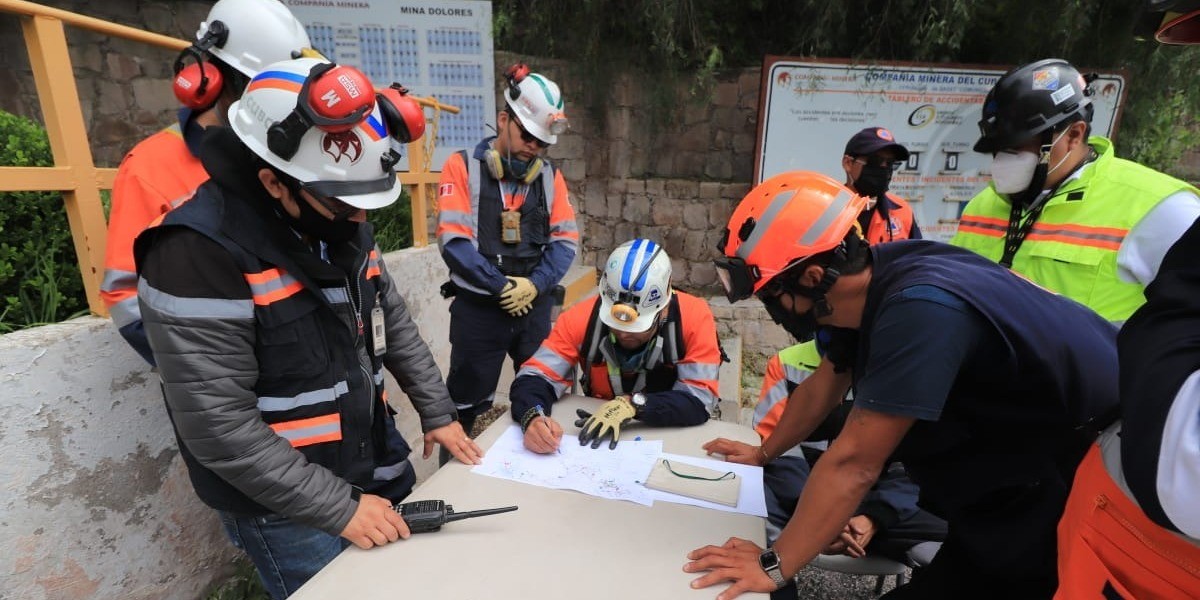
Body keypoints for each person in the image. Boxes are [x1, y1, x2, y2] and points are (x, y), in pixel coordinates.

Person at [134, 57, 483, 599]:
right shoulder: (194, 253)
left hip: (369, 460)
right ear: (274, 182)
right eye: (347, 205)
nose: (361, 220)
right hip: (287, 508)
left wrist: (437, 411)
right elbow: (218, 425)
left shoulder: (334, 219)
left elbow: (390, 317)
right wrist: (338, 509)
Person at [687, 170, 1119, 599]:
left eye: (770, 296)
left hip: (1076, 488)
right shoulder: (868, 288)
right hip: (1009, 479)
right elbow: (825, 384)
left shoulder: (920, 310)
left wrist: (772, 565)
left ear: (812, 278)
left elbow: (854, 463)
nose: (771, 310)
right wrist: (763, 452)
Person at [1055, 11, 1200, 598]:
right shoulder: (990, 202)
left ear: (1071, 135)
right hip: (1093, 540)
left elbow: (1182, 469)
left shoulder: (1160, 207)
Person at [102, 0, 317, 364]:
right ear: (214, 80)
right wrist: (214, 373)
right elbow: (126, 297)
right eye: (261, 89)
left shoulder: (281, 154)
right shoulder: (150, 167)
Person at [950, 58, 1200, 324]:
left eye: (1018, 146)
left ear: (1073, 135)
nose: (1003, 160)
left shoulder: (1160, 208)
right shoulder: (983, 205)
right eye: (998, 148)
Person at [435, 63, 579, 442]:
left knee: (544, 393)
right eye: (528, 136)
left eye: (543, 143)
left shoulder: (550, 178)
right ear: (504, 119)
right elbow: (454, 242)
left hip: (533, 311)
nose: (534, 148)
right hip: (479, 312)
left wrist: (534, 286)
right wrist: (501, 287)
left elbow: (566, 242)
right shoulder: (461, 167)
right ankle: (459, 480)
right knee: (466, 405)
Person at [733, 342, 946, 563]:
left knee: (952, 531)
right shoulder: (786, 362)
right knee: (747, 505)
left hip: (872, 505)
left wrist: (873, 518)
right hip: (800, 501)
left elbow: (913, 465)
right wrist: (825, 515)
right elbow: (776, 449)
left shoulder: (909, 370)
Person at [510, 239, 720, 453]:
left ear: (663, 311)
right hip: (596, 441)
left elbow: (699, 401)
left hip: (667, 435)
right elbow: (534, 378)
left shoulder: (694, 319)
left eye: (638, 327)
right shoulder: (579, 318)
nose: (624, 333)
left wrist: (634, 404)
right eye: (615, 323)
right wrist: (533, 417)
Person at [841, 126, 921, 243]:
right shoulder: (825, 211)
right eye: (875, 161)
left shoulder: (902, 212)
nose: (883, 168)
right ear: (848, 163)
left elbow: (916, 258)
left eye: (890, 163)